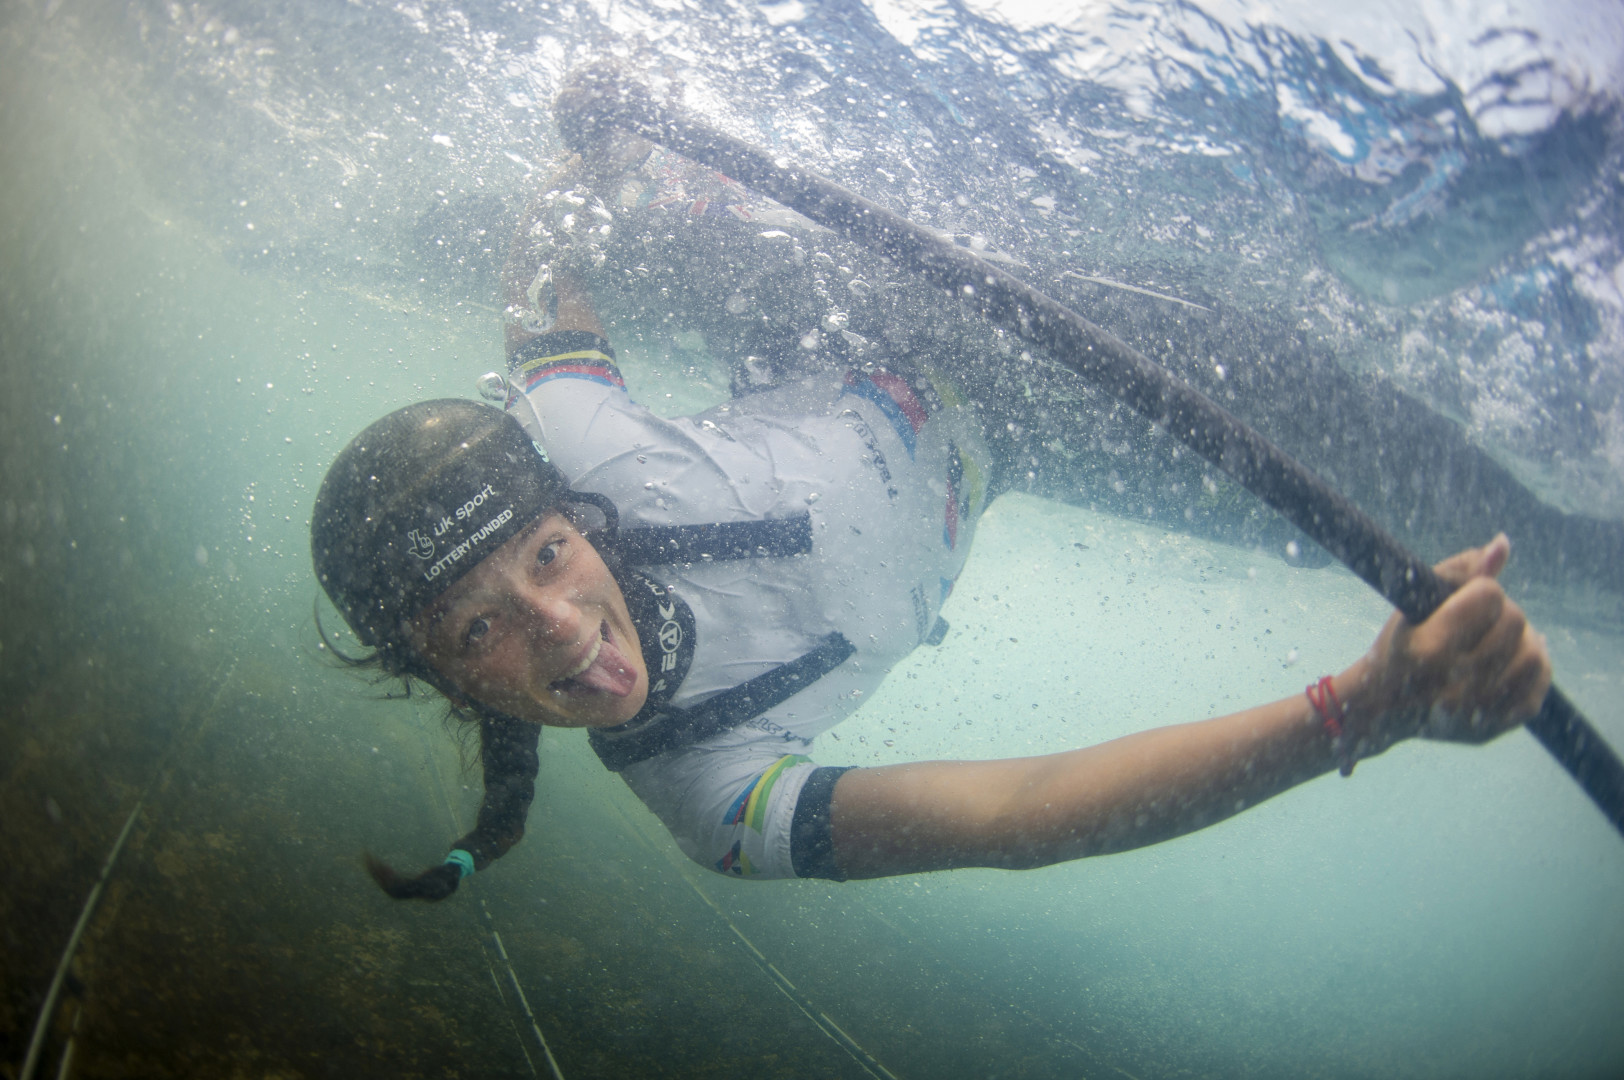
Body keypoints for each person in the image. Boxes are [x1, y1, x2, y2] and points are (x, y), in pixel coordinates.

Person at [310, 140, 1551, 901]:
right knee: (1383, 480)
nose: (564, 630)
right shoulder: (717, 806)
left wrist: (588, 156)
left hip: (886, 317)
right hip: (1029, 437)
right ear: (440, 676)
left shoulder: (583, 447)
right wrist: (1361, 710)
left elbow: (542, 307)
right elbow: (1021, 818)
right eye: (479, 634)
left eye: (546, 556)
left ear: (570, 517)